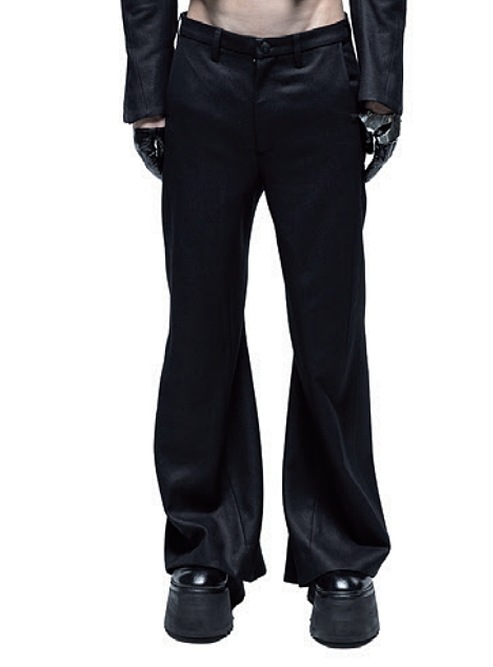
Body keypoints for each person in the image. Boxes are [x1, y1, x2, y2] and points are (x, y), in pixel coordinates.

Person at [119, 0, 406, 648]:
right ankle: (204, 544)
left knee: (329, 328)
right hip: (205, 74)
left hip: (319, 74)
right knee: (200, 327)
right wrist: (147, 92)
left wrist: (380, 87)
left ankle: (338, 552)